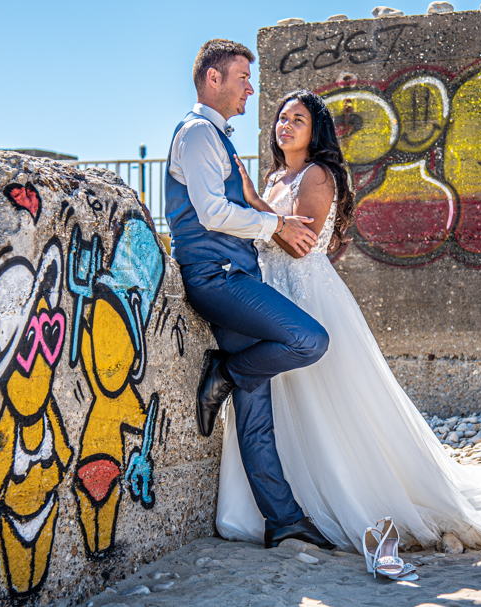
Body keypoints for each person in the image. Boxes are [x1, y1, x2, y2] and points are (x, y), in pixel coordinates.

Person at [216, 89, 481, 555]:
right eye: (281, 118)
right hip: (272, 294)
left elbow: (297, 242)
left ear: (314, 129)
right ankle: (286, 505)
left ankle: (341, 501)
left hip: (307, 296)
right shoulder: (277, 176)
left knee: (326, 403)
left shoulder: (317, 175)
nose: (285, 126)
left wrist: (252, 202)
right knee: (280, 403)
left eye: (297, 119)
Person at [164, 41, 335, 549]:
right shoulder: (197, 135)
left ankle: (282, 519)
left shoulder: (218, 138)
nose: (250, 88)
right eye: (242, 77)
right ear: (213, 80)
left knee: (255, 409)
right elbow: (212, 213)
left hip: (236, 275)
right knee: (310, 340)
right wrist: (273, 222)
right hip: (217, 278)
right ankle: (225, 371)